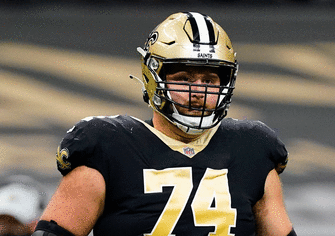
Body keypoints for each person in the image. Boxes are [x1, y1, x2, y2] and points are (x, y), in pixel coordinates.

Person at [33, 12, 296, 236]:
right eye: (184, 78)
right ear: (153, 77)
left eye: (209, 81)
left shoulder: (252, 149)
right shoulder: (108, 146)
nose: (198, 91)